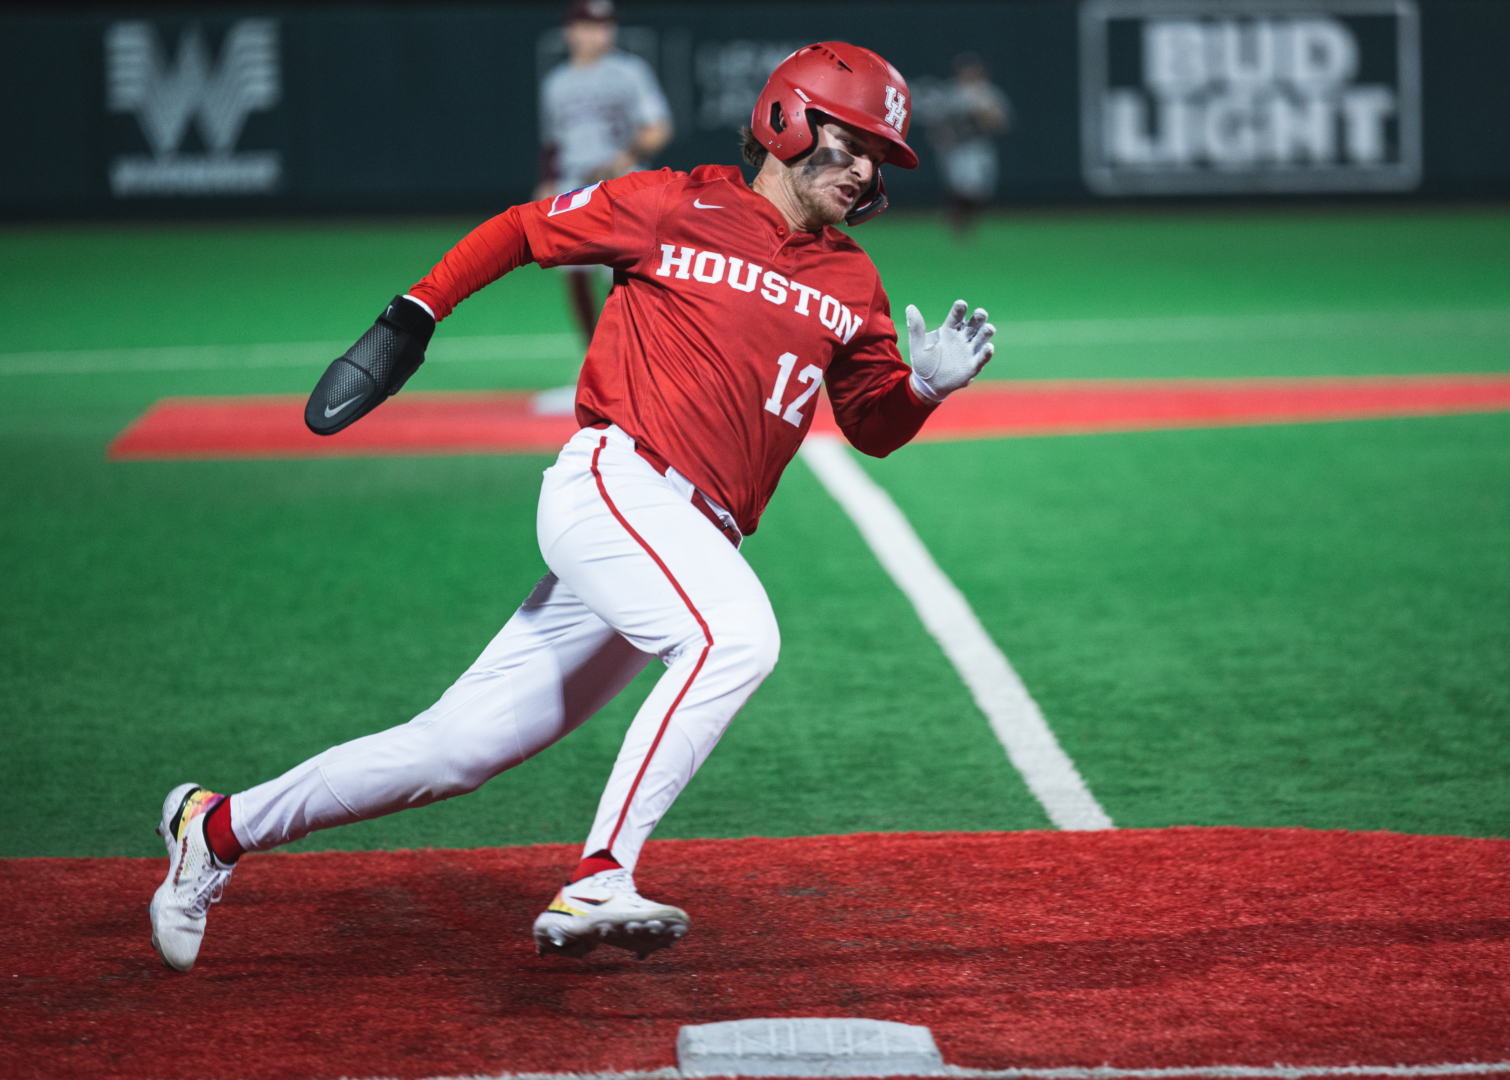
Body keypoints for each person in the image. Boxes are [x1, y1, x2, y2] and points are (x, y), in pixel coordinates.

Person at [148, 42, 996, 973]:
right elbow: (519, 230)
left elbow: (869, 425)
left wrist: (922, 387)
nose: (872, 168)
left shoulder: (852, 280)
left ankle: (216, 828)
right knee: (735, 637)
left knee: (453, 751)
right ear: (788, 119)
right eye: (856, 140)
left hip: (682, 541)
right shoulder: (677, 203)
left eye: (883, 154)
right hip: (614, 486)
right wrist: (414, 313)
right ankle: (599, 874)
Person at [535, 0, 672, 342]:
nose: (600, 33)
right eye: (590, 25)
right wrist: (547, 182)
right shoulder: (556, 83)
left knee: (625, 275)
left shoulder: (629, 71)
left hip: (620, 184)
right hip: (573, 185)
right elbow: (552, 143)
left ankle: (636, 355)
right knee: (574, 271)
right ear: (571, 31)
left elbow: (658, 128)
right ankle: (593, 356)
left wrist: (626, 155)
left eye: (604, 25)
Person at [922, 53, 1011, 236]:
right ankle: (957, 219)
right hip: (955, 147)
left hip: (980, 145)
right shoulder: (951, 93)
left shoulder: (988, 93)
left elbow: (1002, 123)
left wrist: (984, 115)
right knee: (963, 187)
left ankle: (959, 216)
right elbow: (936, 122)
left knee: (980, 190)